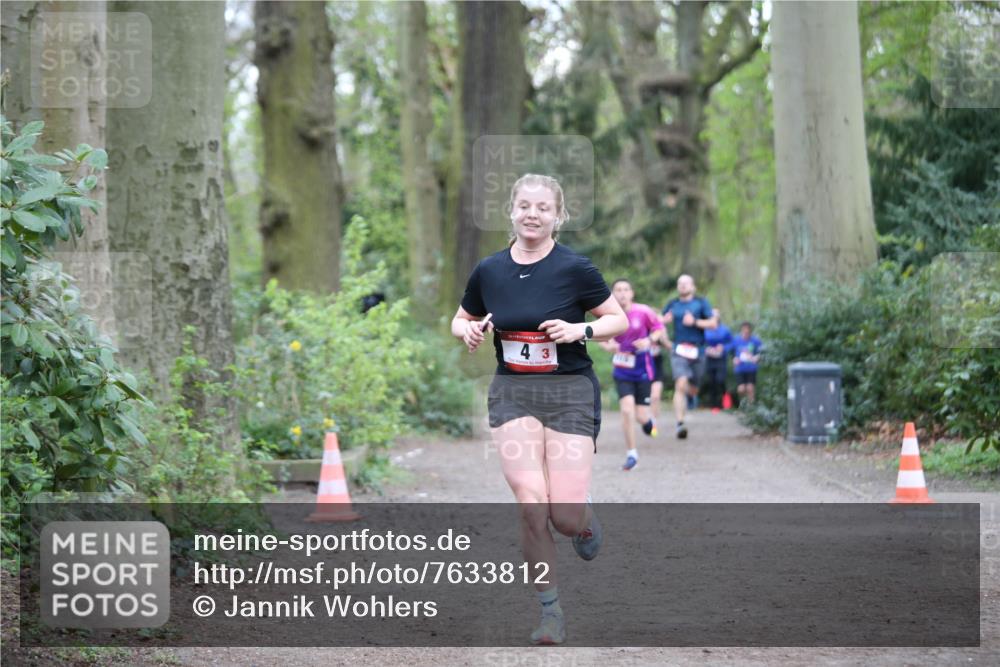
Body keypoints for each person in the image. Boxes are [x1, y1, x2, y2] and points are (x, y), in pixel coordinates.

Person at [451, 173, 627, 645]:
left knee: (563, 517)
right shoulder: (489, 270)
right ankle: (550, 612)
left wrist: (580, 332)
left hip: (569, 391)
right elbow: (461, 316)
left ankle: (583, 519)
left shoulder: (575, 269)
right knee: (531, 503)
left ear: (558, 216)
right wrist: (464, 331)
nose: (533, 214)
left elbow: (618, 319)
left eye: (543, 208)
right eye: (524, 206)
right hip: (514, 394)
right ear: (511, 210)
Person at [598, 279, 667, 471]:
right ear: (612, 294)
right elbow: (600, 337)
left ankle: (649, 423)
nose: (622, 293)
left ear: (632, 293)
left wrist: (648, 340)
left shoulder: (643, 311)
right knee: (627, 410)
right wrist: (608, 346)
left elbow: (659, 329)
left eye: (626, 289)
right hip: (622, 370)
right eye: (618, 290)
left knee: (641, 416)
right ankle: (632, 454)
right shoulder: (607, 314)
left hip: (643, 370)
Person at [661, 275, 718, 439]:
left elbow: (713, 324)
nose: (683, 286)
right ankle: (680, 423)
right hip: (679, 350)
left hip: (698, 351)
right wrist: (664, 328)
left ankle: (690, 397)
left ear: (693, 287)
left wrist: (694, 322)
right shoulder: (673, 304)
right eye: (680, 283)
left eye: (686, 283)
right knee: (680, 383)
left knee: (693, 388)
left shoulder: (701, 303)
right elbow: (657, 323)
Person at [702, 308, 733, 412]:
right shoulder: (705, 330)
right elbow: (700, 343)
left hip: (721, 359)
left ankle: (725, 398)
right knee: (711, 381)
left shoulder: (725, 330)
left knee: (720, 380)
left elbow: (731, 343)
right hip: (710, 359)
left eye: (716, 315)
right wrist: (706, 349)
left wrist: (723, 348)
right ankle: (714, 405)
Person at [731, 321, 764, 405]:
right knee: (741, 389)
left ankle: (751, 407)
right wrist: (734, 359)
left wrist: (757, 357)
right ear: (741, 330)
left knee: (750, 388)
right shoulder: (736, 340)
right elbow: (732, 353)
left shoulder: (756, 341)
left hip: (751, 368)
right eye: (744, 330)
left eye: (747, 331)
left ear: (750, 331)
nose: (746, 332)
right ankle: (743, 404)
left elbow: (761, 353)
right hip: (740, 368)